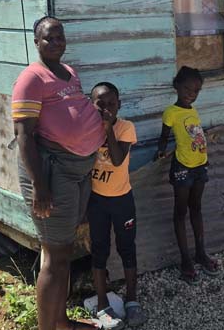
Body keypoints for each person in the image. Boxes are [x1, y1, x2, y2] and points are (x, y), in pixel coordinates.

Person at [12, 16, 104, 330]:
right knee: (55, 256)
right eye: (49, 38)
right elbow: (24, 136)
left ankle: (60, 322)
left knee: (63, 251)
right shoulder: (31, 78)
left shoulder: (69, 73)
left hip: (77, 172)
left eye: (60, 37)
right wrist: (40, 186)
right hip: (53, 174)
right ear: (36, 42)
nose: (56, 43)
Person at [86, 82, 146, 329]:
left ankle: (131, 301)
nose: (107, 108)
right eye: (101, 104)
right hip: (97, 201)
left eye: (111, 104)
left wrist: (108, 128)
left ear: (119, 105)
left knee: (127, 248)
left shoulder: (126, 128)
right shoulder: (86, 131)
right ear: (92, 106)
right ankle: (102, 306)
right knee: (99, 250)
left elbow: (119, 160)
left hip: (122, 200)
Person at [156, 65, 219, 280]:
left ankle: (200, 253)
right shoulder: (171, 112)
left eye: (196, 91)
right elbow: (164, 136)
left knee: (197, 208)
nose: (191, 95)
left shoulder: (193, 111)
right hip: (182, 167)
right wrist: (160, 151)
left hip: (200, 165)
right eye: (187, 90)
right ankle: (185, 259)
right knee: (180, 212)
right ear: (176, 86)